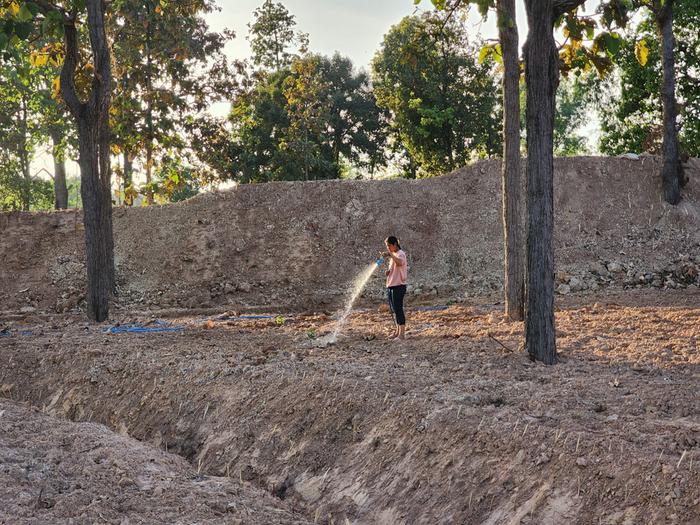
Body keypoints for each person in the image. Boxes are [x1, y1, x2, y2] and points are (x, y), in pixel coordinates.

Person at [381, 236, 408, 340]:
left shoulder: (401, 254)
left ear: (395, 244)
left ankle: (401, 335)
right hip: (392, 285)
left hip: (398, 286)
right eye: (387, 246)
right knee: (395, 310)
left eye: (389, 246)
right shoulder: (394, 255)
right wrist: (388, 272)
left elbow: (400, 262)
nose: (388, 248)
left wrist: (390, 254)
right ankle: (397, 332)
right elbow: (395, 268)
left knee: (398, 309)